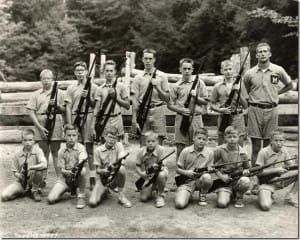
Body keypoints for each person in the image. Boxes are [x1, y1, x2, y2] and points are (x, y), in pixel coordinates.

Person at [243, 42, 293, 168]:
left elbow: (289, 85)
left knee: (267, 145)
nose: (263, 54)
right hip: (255, 109)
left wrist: (277, 93)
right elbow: (245, 90)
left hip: (272, 110)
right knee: (255, 146)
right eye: (260, 52)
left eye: (265, 51)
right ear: (256, 55)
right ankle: (255, 175)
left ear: (270, 53)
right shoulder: (250, 73)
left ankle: (266, 174)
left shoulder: (278, 70)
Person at [27, 69, 65, 181]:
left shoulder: (60, 93)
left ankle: (60, 179)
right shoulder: (36, 94)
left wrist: (57, 106)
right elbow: (31, 111)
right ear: (40, 80)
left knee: (56, 152)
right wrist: (39, 127)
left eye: (48, 78)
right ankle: (42, 179)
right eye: (44, 78)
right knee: (43, 152)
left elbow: (65, 109)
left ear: (52, 80)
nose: (46, 81)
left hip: (56, 122)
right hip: (40, 123)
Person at [65, 61, 98, 190]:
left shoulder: (94, 87)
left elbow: (96, 106)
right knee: (74, 149)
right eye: (77, 70)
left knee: (89, 149)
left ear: (86, 72)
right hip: (75, 118)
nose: (80, 73)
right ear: (74, 73)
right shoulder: (71, 88)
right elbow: (68, 107)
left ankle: (92, 177)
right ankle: (75, 177)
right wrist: (69, 124)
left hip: (89, 116)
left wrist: (88, 96)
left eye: (82, 70)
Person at [168, 58, 208, 158]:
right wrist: (180, 110)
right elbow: (169, 104)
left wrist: (195, 97)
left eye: (189, 69)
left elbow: (206, 101)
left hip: (196, 118)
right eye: (184, 68)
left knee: (198, 144)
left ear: (192, 70)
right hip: (181, 117)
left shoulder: (199, 83)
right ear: (180, 69)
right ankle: (180, 171)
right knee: (180, 146)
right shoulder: (176, 86)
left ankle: (196, 170)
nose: (187, 71)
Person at [131, 48, 170, 145]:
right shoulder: (138, 77)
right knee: (143, 143)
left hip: (158, 111)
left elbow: (167, 98)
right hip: (143, 111)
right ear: (142, 59)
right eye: (146, 58)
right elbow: (135, 100)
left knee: (159, 144)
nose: (148, 61)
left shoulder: (162, 76)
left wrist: (157, 87)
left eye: (150, 58)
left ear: (154, 60)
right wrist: (134, 119)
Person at [89, 127, 132, 208]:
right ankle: (105, 190)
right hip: (102, 179)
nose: (111, 140)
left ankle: (121, 196)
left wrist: (118, 164)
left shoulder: (118, 145)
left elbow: (122, 159)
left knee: (122, 169)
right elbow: (97, 170)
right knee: (93, 202)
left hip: (113, 178)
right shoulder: (98, 150)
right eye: (109, 137)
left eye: (114, 138)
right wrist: (104, 171)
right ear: (105, 137)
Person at [47, 124, 88, 209]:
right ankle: (68, 188)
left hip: (77, 176)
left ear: (77, 136)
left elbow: (83, 156)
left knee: (83, 170)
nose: (71, 138)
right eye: (69, 135)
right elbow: (61, 169)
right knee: (51, 199)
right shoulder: (61, 150)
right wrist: (67, 172)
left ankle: (81, 195)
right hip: (66, 178)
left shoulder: (81, 147)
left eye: (74, 135)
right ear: (64, 136)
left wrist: (79, 163)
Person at [256, 130, 298, 211]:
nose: (279, 143)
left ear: (284, 141)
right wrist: (275, 170)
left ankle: (290, 196)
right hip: (266, 183)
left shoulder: (284, 150)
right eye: (276, 140)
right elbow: (258, 173)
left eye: (281, 140)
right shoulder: (263, 152)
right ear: (271, 141)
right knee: (265, 206)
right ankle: (265, 194)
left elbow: (291, 166)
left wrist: (296, 162)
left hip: (279, 180)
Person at [1, 129, 47, 202]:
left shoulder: (38, 151)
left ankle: (34, 190)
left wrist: (31, 168)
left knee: (39, 170)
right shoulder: (17, 155)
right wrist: (18, 175)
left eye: (30, 140)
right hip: (21, 181)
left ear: (34, 141)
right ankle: (23, 192)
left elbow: (44, 164)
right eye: (25, 140)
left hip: (34, 179)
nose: (28, 143)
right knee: (4, 196)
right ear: (22, 141)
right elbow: (14, 171)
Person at [210, 60, 248, 146]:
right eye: (225, 69)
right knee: (222, 144)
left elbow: (245, 105)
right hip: (223, 117)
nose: (228, 72)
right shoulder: (217, 86)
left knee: (239, 146)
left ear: (234, 70)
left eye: (230, 69)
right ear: (221, 71)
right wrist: (220, 110)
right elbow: (211, 105)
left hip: (237, 117)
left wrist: (238, 92)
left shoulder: (241, 85)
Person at [174, 128, 214, 209]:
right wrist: (187, 173)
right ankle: (187, 193)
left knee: (207, 177)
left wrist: (209, 171)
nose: (201, 141)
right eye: (199, 138)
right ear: (193, 139)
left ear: (207, 141)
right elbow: (177, 168)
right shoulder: (186, 151)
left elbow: (210, 168)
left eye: (204, 139)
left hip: (200, 180)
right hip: (187, 181)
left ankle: (203, 194)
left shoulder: (210, 152)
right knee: (180, 204)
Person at [213, 126, 251, 208]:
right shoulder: (219, 150)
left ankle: (239, 195)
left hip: (237, 181)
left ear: (238, 137)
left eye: (234, 137)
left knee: (245, 181)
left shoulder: (243, 153)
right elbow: (211, 165)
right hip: (224, 181)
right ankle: (228, 193)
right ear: (225, 137)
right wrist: (221, 176)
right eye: (229, 137)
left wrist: (246, 173)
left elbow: (247, 168)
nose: (232, 139)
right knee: (222, 203)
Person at [93, 60, 130, 143]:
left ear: (115, 72)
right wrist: (93, 125)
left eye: (111, 71)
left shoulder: (121, 86)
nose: (109, 73)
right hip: (104, 120)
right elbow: (97, 107)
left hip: (116, 119)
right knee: (104, 145)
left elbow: (127, 105)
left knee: (117, 146)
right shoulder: (100, 89)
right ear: (103, 72)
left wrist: (116, 97)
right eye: (107, 71)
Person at [135, 131, 169, 208]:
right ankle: (155, 187)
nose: (150, 143)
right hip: (148, 176)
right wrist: (141, 174)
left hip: (159, 172)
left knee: (162, 174)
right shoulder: (141, 151)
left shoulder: (161, 150)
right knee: (143, 198)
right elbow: (137, 166)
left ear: (157, 142)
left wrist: (158, 167)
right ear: (145, 142)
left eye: (153, 141)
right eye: (148, 141)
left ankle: (160, 195)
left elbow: (164, 164)